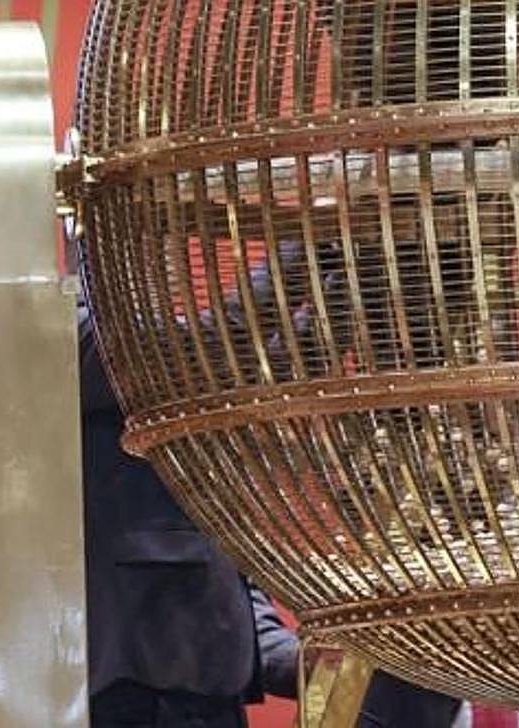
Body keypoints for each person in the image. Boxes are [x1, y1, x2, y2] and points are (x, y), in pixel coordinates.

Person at [81, 302, 464, 728]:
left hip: (210, 703)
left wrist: (342, 287)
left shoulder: (201, 468)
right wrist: (299, 266)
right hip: (136, 701)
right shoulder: (63, 334)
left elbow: (273, 367)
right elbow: (205, 347)